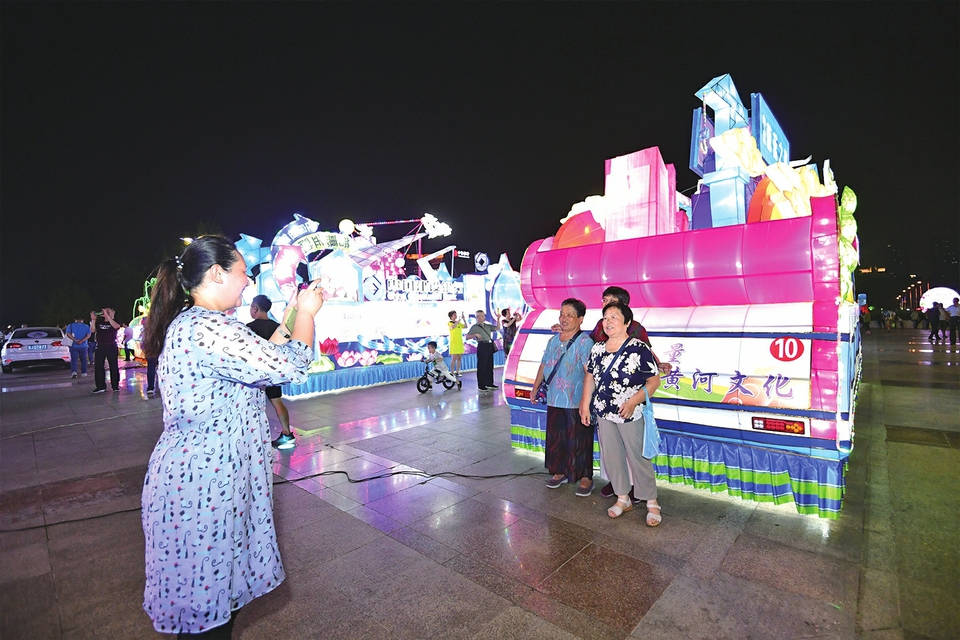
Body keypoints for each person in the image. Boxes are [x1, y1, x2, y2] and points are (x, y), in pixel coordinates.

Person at [139, 235, 324, 638]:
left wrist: (293, 311)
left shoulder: (205, 324)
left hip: (211, 478)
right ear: (217, 273)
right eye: (242, 273)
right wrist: (309, 314)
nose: (246, 282)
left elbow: (265, 352)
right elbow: (289, 366)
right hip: (203, 483)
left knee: (215, 598)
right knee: (205, 612)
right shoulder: (205, 328)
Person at [581, 300, 662, 526]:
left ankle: (652, 502)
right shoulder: (597, 349)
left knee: (639, 458)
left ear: (627, 323)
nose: (608, 322)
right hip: (604, 414)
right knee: (613, 457)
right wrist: (585, 405)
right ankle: (622, 498)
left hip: (630, 414)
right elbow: (590, 377)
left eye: (614, 317)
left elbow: (654, 380)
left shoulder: (638, 348)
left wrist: (634, 402)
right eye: (605, 318)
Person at [531, 298, 594, 496]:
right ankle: (559, 471)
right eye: (562, 313)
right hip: (554, 398)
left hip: (576, 401)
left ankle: (585, 477)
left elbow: (588, 373)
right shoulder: (553, 340)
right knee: (557, 437)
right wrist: (535, 388)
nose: (564, 318)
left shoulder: (585, 342)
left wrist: (586, 402)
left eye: (569, 314)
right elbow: (544, 364)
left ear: (580, 319)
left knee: (579, 439)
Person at [247, 294, 296, 449]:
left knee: (253, 405)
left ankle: (254, 438)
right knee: (277, 402)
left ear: (255, 308)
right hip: (273, 373)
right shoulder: (277, 327)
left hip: (254, 375)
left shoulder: (249, 328)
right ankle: (287, 433)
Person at [465, 310, 500, 391]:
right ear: (478, 317)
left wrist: (498, 319)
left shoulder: (487, 326)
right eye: (482, 316)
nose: (484, 317)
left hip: (489, 345)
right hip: (482, 346)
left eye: (484, 315)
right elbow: (467, 337)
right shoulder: (474, 327)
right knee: (482, 366)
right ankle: (481, 385)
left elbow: (497, 328)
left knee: (489, 366)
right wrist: (475, 334)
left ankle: (489, 383)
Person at [90, 307, 121, 393]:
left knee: (113, 366)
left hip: (111, 345)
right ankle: (100, 386)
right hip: (100, 346)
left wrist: (108, 317)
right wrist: (93, 320)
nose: (105, 313)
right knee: (99, 366)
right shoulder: (99, 322)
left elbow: (116, 326)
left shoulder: (116, 321)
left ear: (113, 312)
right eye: (104, 311)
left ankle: (115, 385)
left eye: (108, 311)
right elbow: (92, 330)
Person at [447, 310, 466, 378]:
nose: (456, 316)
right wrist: (458, 321)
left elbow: (465, 326)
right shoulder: (450, 323)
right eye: (454, 315)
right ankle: (452, 372)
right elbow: (452, 327)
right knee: (454, 358)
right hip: (453, 343)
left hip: (459, 342)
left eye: (456, 314)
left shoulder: (459, 323)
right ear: (451, 316)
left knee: (459, 358)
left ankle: (457, 372)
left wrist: (463, 319)